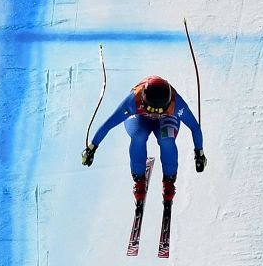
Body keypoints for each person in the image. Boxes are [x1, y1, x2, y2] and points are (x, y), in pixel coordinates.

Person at [81, 76, 207, 204]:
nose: (155, 114)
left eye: (160, 110)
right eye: (152, 110)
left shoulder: (177, 103)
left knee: (167, 140)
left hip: (161, 118)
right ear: (144, 100)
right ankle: (139, 181)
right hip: (140, 116)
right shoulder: (133, 101)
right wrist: (92, 148)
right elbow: (109, 124)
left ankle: (169, 182)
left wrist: (199, 154)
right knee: (138, 136)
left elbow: (194, 127)